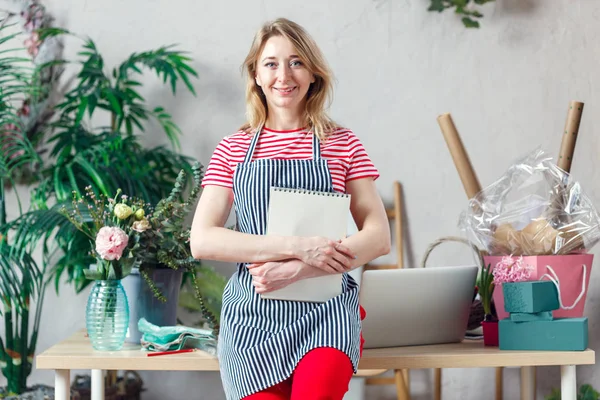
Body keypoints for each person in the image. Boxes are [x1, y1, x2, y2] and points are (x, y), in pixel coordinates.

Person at [190, 17, 391, 400]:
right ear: (255, 75)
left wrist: (306, 267)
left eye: (297, 62)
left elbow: (379, 237)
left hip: (326, 313)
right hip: (253, 318)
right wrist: (297, 247)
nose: (284, 75)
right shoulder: (232, 148)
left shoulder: (342, 143)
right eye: (271, 63)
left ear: (314, 74)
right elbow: (202, 240)